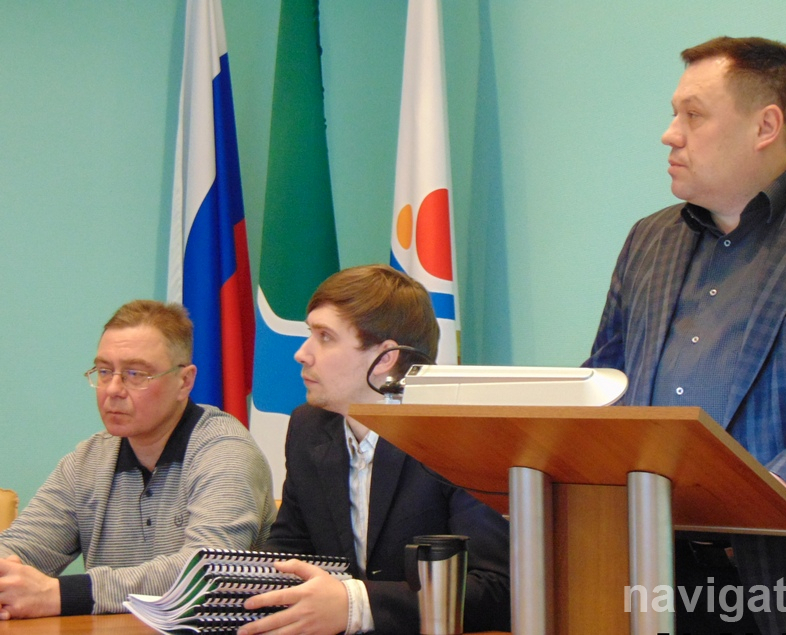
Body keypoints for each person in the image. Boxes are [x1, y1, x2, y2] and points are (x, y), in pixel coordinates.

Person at [583, 36, 786, 633]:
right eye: (674, 113)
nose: (670, 134)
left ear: (766, 126)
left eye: (693, 115)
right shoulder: (648, 240)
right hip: (655, 571)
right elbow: (606, 381)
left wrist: (772, 499)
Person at [238, 264, 511, 635]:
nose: (302, 353)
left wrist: (357, 605)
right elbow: (290, 550)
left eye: (325, 337)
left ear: (385, 358)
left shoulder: (455, 436)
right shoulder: (309, 427)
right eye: (309, 334)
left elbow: (496, 591)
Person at [0, 300, 275, 619]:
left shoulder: (226, 451)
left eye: (135, 374)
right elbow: (19, 550)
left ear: (184, 382)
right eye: (105, 371)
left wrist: (63, 594)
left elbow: (208, 569)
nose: (113, 389)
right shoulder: (86, 462)